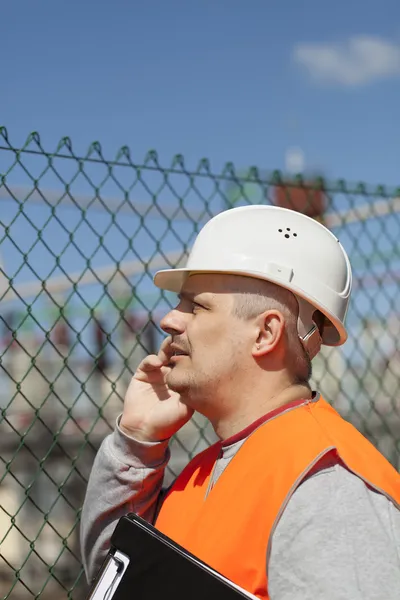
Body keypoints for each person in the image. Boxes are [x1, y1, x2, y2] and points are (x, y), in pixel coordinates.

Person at [80, 205, 400, 600]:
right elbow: (114, 578)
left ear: (266, 333)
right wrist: (137, 440)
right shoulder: (204, 470)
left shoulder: (329, 490)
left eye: (196, 306)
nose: (168, 320)